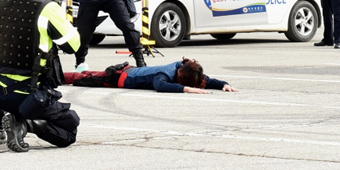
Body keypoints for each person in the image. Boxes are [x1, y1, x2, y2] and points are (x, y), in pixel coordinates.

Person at [0, 0, 82, 152]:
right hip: (29, 92)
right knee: (70, 126)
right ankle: (25, 124)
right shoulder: (48, 8)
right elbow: (73, 45)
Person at [64, 57, 238, 93]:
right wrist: (187, 90)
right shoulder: (166, 74)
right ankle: (55, 76)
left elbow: (205, 80)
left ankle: (82, 71)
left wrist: (223, 84)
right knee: (80, 79)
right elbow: (160, 86)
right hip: (119, 77)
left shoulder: (185, 69)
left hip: (126, 71)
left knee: (87, 75)